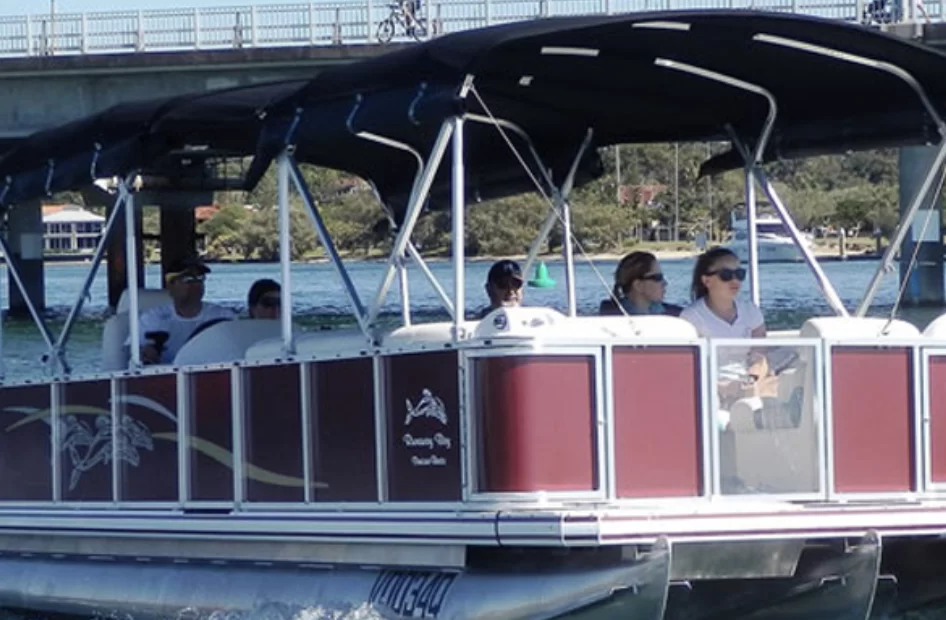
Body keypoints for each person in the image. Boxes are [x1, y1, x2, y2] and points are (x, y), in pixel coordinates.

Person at [137, 256, 235, 365]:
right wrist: (148, 353)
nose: (196, 284)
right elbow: (138, 357)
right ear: (170, 285)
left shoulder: (224, 317)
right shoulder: (152, 319)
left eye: (200, 278)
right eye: (188, 279)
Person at [680, 247, 766, 339]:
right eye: (726, 274)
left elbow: (760, 351)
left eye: (739, 274)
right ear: (706, 281)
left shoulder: (750, 310)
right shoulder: (691, 317)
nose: (735, 280)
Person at [599, 251, 682, 317]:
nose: (665, 283)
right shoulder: (611, 319)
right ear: (638, 285)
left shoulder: (677, 314)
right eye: (658, 278)